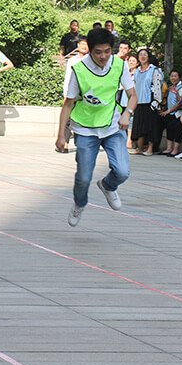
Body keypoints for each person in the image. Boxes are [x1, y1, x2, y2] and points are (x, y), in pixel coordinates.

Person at [56, 28, 137, 227]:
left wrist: (127, 114)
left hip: (112, 125)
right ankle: (79, 203)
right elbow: (68, 103)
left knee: (122, 172)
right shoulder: (80, 69)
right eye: (98, 52)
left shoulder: (119, 66)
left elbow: (133, 96)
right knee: (83, 178)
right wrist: (60, 136)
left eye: (107, 51)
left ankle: (108, 186)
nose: (103, 56)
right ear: (90, 50)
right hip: (85, 128)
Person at [130, 48, 163, 156]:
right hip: (139, 102)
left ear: (148, 57)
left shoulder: (154, 70)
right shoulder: (137, 72)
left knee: (150, 126)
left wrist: (156, 102)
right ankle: (139, 148)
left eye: (145, 54)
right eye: (140, 55)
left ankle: (150, 148)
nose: (143, 56)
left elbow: (158, 86)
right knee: (139, 126)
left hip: (150, 102)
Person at [159, 70, 182, 156]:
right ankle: (167, 148)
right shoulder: (170, 87)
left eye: (175, 76)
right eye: (171, 76)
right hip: (170, 113)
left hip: (178, 114)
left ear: (179, 77)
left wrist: (168, 111)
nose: (173, 78)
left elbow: (180, 103)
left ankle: (174, 149)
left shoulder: (181, 88)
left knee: (173, 125)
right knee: (158, 121)